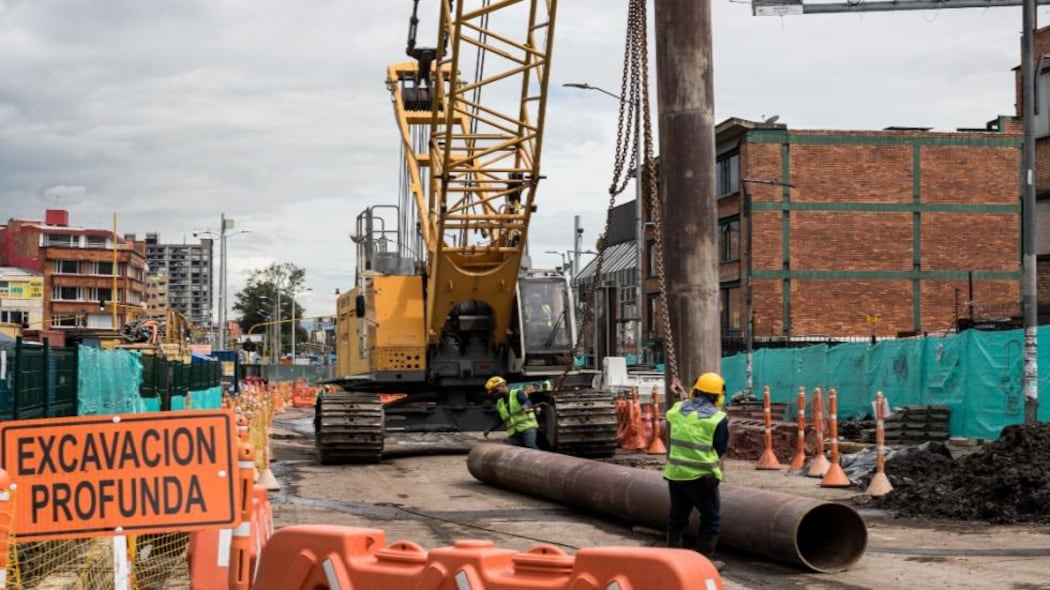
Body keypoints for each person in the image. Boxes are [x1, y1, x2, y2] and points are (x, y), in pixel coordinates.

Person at [663, 372, 729, 570]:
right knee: (711, 518)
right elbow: (720, 448)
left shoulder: (676, 410)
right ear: (719, 395)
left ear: (695, 390)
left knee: (677, 517)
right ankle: (703, 563)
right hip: (702, 478)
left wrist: (680, 394)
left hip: (675, 475)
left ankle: (672, 560)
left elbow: (686, 408)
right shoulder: (718, 418)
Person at [483, 375, 539, 449]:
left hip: (527, 427)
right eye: (493, 392)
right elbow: (498, 420)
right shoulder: (500, 403)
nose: (495, 394)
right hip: (514, 432)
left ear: (502, 386)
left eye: (496, 391)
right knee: (510, 449)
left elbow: (527, 401)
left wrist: (525, 406)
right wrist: (490, 429)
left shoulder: (517, 393)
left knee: (530, 446)